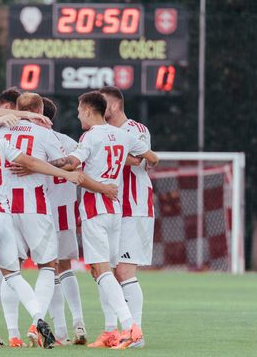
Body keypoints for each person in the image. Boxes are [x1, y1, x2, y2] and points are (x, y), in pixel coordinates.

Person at [0, 102, 86, 349]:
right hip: (3, 217)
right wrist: (66, 174)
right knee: (15, 276)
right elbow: (30, 162)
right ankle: (39, 319)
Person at [49, 91, 158, 350]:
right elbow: (152, 158)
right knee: (101, 270)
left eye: (79, 111)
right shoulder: (122, 136)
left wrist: (40, 165)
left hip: (110, 208)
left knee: (111, 271)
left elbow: (73, 165)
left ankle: (132, 328)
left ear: (89, 110)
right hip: (117, 209)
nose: (77, 115)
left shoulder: (106, 134)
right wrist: (123, 157)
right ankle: (111, 330)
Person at [100, 86, 155, 348]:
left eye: (103, 104)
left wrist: (105, 152)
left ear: (115, 106)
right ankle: (113, 330)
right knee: (105, 270)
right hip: (110, 208)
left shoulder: (136, 129)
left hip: (134, 207)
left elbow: (143, 161)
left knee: (123, 270)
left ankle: (136, 333)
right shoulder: (99, 133)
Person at [40, 97, 87, 346]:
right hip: (66, 210)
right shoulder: (69, 142)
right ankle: (78, 320)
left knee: (47, 269)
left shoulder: (35, 140)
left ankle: (59, 330)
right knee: (66, 267)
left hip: (40, 212)